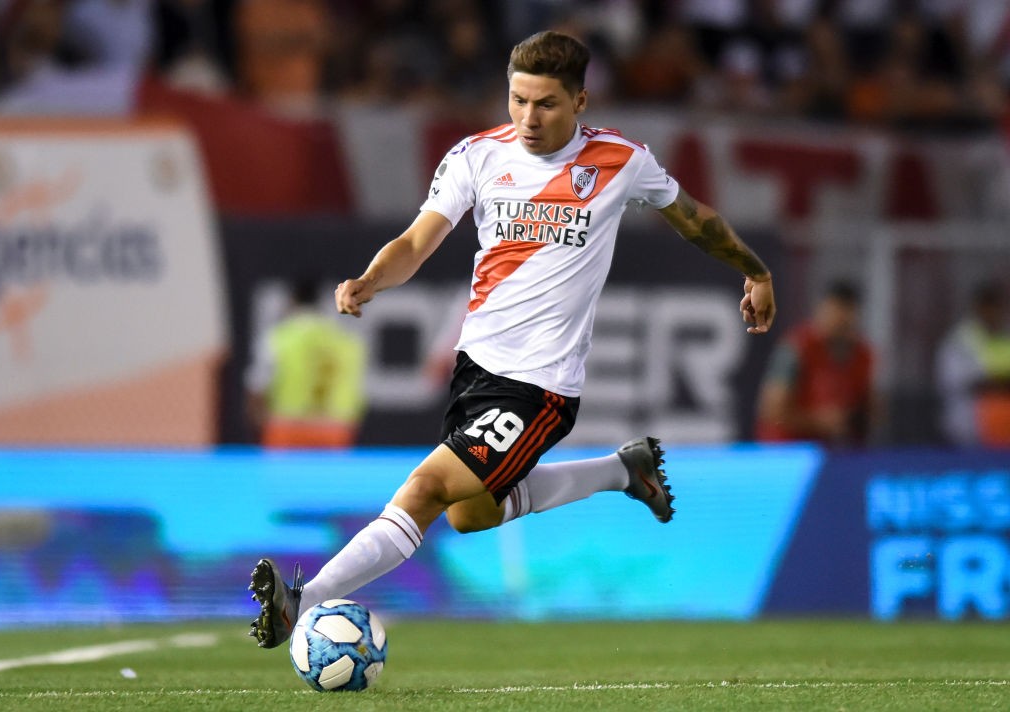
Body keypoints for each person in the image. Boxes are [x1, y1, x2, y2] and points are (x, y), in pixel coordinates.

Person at [248, 30, 776, 648]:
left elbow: (695, 219)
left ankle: (300, 601)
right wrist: (370, 278)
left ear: (580, 101)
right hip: (477, 370)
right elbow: (418, 241)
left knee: (425, 490)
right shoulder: (477, 155)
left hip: (540, 385)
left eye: (546, 103)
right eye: (518, 100)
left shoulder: (620, 161)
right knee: (470, 514)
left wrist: (756, 271)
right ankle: (621, 471)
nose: (528, 117)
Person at [245, 279, 367, 448]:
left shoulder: (279, 337)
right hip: (334, 429)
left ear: (293, 300)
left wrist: (259, 424)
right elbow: (359, 388)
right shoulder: (346, 340)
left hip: (287, 428)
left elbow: (258, 385)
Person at [755, 279, 874, 447]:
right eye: (835, 312)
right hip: (786, 451)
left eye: (846, 314)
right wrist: (819, 421)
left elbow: (871, 409)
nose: (840, 320)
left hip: (832, 452)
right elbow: (771, 411)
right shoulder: (798, 348)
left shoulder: (862, 355)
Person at [936, 280, 1010, 447]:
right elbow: (955, 381)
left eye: (996, 307)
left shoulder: (1006, 338)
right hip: (967, 430)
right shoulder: (961, 340)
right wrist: (997, 383)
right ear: (977, 307)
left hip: (1004, 431)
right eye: (987, 306)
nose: (992, 312)